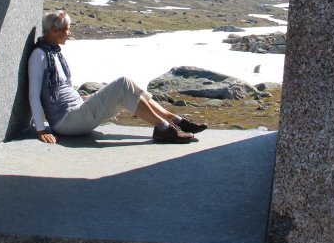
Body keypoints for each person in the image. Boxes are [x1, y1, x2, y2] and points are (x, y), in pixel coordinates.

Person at [28, 10, 207, 144]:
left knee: (129, 85)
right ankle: (163, 128)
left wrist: (82, 98)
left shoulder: (54, 53)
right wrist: (41, 130)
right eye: (67, 29)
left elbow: (63, 90)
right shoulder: (40, 56)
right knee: (122, 84)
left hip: (76, 110)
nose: (70, 33)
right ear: (54, 30)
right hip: (66, 122)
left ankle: (174, 120)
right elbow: (34, 95)